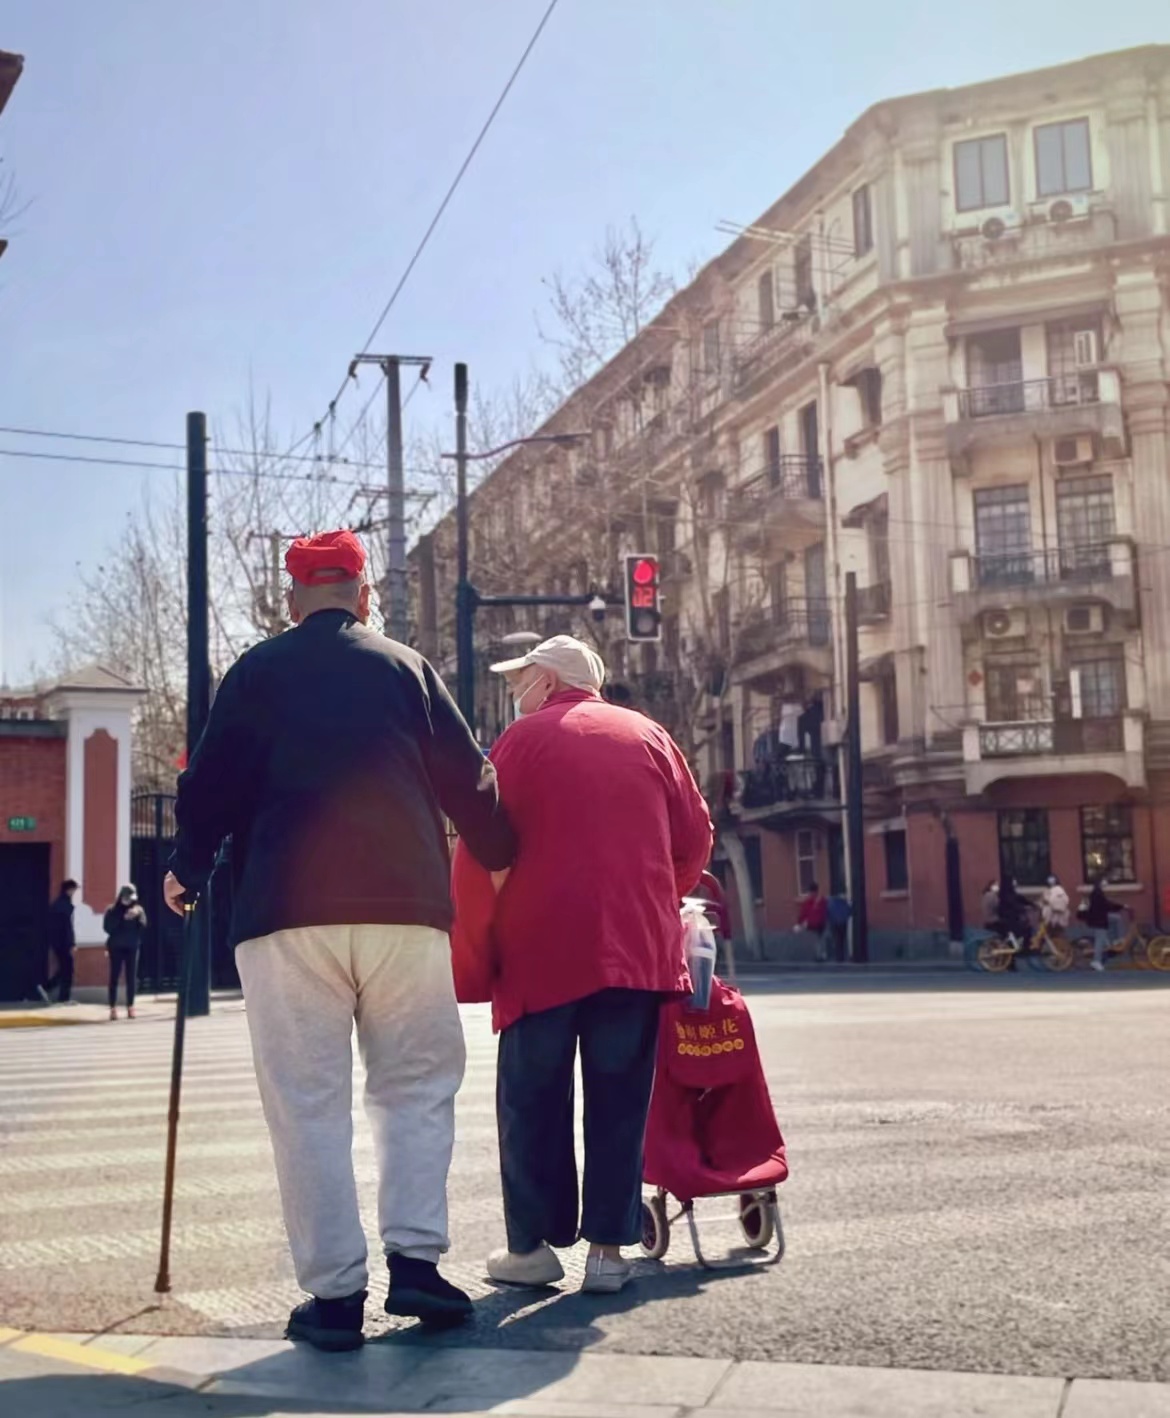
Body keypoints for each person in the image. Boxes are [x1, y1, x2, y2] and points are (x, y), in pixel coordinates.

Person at [163, 529, 515, 1353]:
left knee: (307, 1103)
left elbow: (209, 783)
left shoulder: (256, 671)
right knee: (417, 1086)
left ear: (292, 602)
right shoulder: (407, 668)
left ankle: (334, 1299)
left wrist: (187, 867)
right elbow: (471, 779)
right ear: (365, 595)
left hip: (287, 914)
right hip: (404, 909)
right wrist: (497, 853)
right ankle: (419, 1263)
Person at [451, 635, 712, 1295]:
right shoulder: (652, 737)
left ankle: (532, 1247)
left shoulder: (520, 744)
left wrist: (471, 953)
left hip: (542, 947)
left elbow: (481, 851)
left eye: (521, 682)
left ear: (547, 680)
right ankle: (607, 1253)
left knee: (530, 1098)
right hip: (634, 945)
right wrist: (654, 893)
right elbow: (695, 838)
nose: (516, 694)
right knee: (620, 1098)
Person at [104, 885, 146, 1019]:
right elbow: (107, 928)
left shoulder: (138, 910)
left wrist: (138, 915)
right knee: (114, 977)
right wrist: (122, 917)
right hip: (116, 947)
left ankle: (131, 1006)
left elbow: (143, 925)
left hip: (132, 947)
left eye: (131, 899)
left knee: (131, 978)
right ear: (121, 897)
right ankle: (112, 1008)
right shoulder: (112, 910)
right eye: (126, 899)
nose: (129, 902)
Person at [40, 879, 78, 1003]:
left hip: (57, 942)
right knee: (68, 969)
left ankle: (46, 988)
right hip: (64, 943)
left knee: (64, 969)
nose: (74, 892)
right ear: (69, 890)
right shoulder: (64, 905)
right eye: (73, 889)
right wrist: (71, 944)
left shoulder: (57, 904)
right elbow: (67, 927)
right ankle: (62, 996)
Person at [1082, 877, 1124, 972]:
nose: (1106, 883)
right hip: (1098, 920)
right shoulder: (1097, 893)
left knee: (1116, 919)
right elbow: (1106, 905)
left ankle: (1116, 940)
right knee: (1099, 941)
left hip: (1099, 918)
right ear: (1100, 882)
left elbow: (1106, 904)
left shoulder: (1097, 892)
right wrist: (1121, 906)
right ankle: (1096, 961)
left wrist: (1119, 906)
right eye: (1104, 881)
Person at [797, 882, 830, 962]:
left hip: (812, 924)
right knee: (820, 940)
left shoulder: (808, 901)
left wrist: (799, 922)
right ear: (817, 890)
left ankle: (819, 955)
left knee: (816, 940)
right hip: (821, 923)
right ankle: (821, 955)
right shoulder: (822, 900)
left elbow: (803, 913)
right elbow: (826, 911)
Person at [826, 891, 851, 964]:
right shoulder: (844, 903)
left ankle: (838, 957)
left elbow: (828, 913)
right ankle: (841, 956)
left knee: (837, 940)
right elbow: (849, 911)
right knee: (842, 940)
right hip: (843, 923)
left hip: (834, 923)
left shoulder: (831, 903)